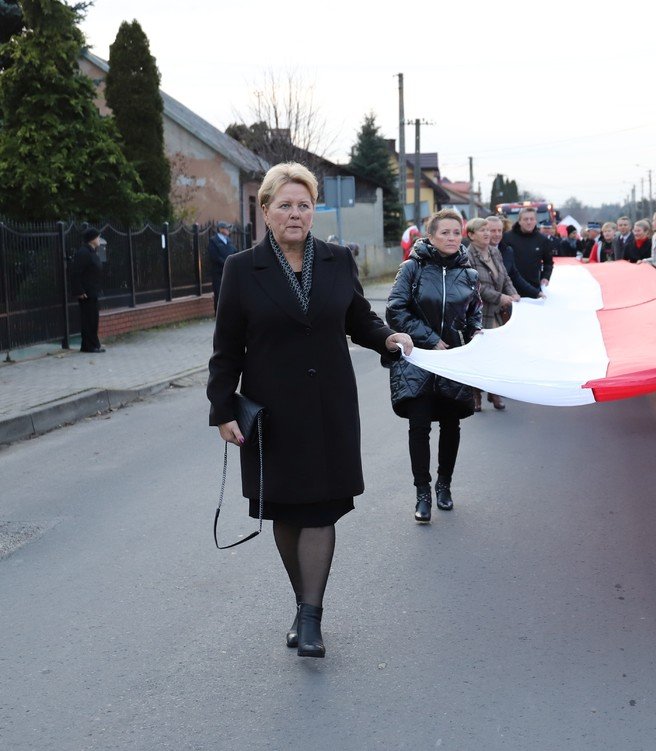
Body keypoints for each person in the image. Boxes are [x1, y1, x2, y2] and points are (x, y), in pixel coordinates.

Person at [207, 162, 413, 659]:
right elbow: (227, 347)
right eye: (285, 205)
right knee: (286, 511)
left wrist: (388, 337)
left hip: (329, 407)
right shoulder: (241, 268)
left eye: (304, 204)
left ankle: (311, 617)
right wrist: (221, 409)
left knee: (321, 510)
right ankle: (302, 604)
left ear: (314, 210)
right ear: (266, 211)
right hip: (273, 411)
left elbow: (358, 317)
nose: (295, 213)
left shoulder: (338, 260)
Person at [387, 208, 483, 523]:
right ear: (431, 236)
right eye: (445, 232)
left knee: (451, 425)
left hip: (453, 362)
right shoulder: (412, 268)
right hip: (419, 359)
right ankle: (422, 492)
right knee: (420, 425)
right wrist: (429, 338)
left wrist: (476, 336)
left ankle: (444, 486)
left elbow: (473, 315)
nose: (452, 238)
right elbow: (396, 309)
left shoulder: (469, 274)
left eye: (457, 232)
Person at [465, 216, 519, 410]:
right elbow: (475, 286)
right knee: (479, 356)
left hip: (497, 313)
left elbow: (505, 277)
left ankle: (494, 392)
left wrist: (512, 293)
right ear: (471, 235)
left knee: (496, 355)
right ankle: (476, 394)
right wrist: (500, 297)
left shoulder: (495, 252)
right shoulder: (468, 255)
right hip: (479, 313)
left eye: (489, 230)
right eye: (483, 230)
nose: (488, 233)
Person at [502, 207, 555, 298]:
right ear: (519, 221)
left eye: (532, 219)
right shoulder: (506, 238)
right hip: (510, 289)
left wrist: (545, 277)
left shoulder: (542, 240)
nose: (529, 222)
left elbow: (548, 263)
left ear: (536, 221)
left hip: (533, 288)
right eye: (526, 219)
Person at [69, 228, 105, 353]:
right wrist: (79, 291)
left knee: (93, 319)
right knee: (88, 320)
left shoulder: (91, 251)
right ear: (92, 239)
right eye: (98, 237)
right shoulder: (83, 253)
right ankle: (89, 346)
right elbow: (76, 273)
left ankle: (94, 344)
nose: (99, 239)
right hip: (86, 293)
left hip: (93, 291)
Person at [207, 221, 238, 309]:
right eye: (226, 228)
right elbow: (215, 256)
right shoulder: (213, 240)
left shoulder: (228, 240)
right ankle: (218, 314)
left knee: (229, 293)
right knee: (219, 293)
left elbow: (235, 252)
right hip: (218, 273)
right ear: (220, 229)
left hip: (229, 272)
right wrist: (226, 263)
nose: (228, 230)